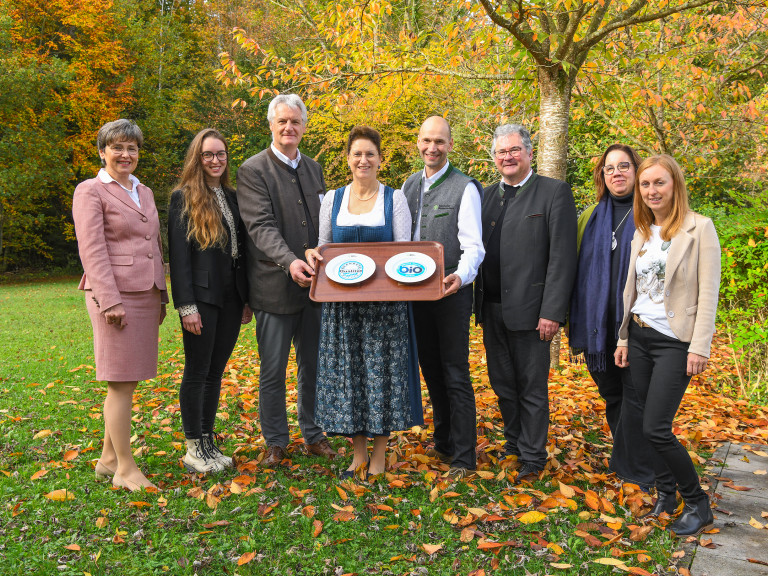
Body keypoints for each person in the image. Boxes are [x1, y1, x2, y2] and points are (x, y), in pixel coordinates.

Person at [306, 126, 422, 479]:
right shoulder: (332, 200)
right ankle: (357, 454)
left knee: (383, 376)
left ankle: (380, 454)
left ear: (380, 159)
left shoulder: (395, 198)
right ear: (348, 159)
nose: (363, 159)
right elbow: (323, 247)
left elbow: (404, 252)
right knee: (351, 376)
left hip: (385, 307)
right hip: (343, 306)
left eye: (370, 153)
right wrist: (312, 253)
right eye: (357, 153)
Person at [615, 154, 720, 537]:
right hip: (640, 336)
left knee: (657, 427)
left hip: (675, 342)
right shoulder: (642, 231)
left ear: (675, 184)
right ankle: (667, 494)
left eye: (659, 182)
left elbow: (709, 293)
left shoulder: (699, 229)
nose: (651, 190)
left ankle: (697, 503)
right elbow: (633, 290)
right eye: (645, 184)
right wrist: (624, 336)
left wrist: (700, 347)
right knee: (646, 425)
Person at [236, 94, 337, 467]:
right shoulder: (253, 170)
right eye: (282, 122)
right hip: (274, 288)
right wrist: (290, 261)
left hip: (315, 289)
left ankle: (313, 434)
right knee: (273, 369)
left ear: (304, 126)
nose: (289, 128)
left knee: (313, 366)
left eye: (295, 121)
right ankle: (276, 441)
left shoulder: (314, 168)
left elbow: (325, 225)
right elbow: (260, 227)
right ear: (271, 125)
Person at [475, 124, 577, 484]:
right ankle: (515, 443)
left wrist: (552, 311)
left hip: (534, 312)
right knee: (502, 383)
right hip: (492, 309)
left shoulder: (553, 193)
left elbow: (562, 258)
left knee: (531, 386)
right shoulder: (486, 196)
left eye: (514, 150)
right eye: (501, 152)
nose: (508, 157)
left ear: (529, 153)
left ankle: (533, 456)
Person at [72, 119, 167, 491]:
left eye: (132, 148)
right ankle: (126, 469)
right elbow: (92, 250)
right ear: (102, 151)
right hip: (114, 295)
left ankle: (108, 458)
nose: (126, 154)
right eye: (118, 147)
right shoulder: (90, 190)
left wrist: (161, 293)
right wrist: (109, 300)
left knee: (129, 379)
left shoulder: (143, 191)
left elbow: (154, 245)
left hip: (145, 293)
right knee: (120, 382)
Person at [401, 116, 485, 480]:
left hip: (451, 294)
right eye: (425, 141)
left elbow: (474, 247)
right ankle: (444, 441)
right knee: (431, 370)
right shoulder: (407, 187)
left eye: (439, 141)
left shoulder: (464, 187)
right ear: (417, 143)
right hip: (415, 297)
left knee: (454, 372)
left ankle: (465, 456)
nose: (431, 148)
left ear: (450, 144)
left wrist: (460, 277)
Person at [569, 144, 654, 489]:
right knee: (613, 394)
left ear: (637, 170)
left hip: (637, 325)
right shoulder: (589, 217)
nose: (616, 173)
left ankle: (634, 469)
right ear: (602, 176)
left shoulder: (652, 214)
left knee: (636, 396)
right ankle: (628, 457)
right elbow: (574, 269)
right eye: (609, 168)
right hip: (596, 326)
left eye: (623, 166)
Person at [168, 128, 252, 474]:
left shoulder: (233, 196)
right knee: (198, 370)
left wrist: (247, 298)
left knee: (216, 372)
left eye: (220, 154)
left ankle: (207, 440)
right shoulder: (183, 197)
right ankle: (192, 446)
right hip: (201, 299)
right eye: (208, 155)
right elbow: (179, 256)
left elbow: (242, 252)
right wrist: (186, 306)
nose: (215, 161)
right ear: (197, 158)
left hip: (232, 297)